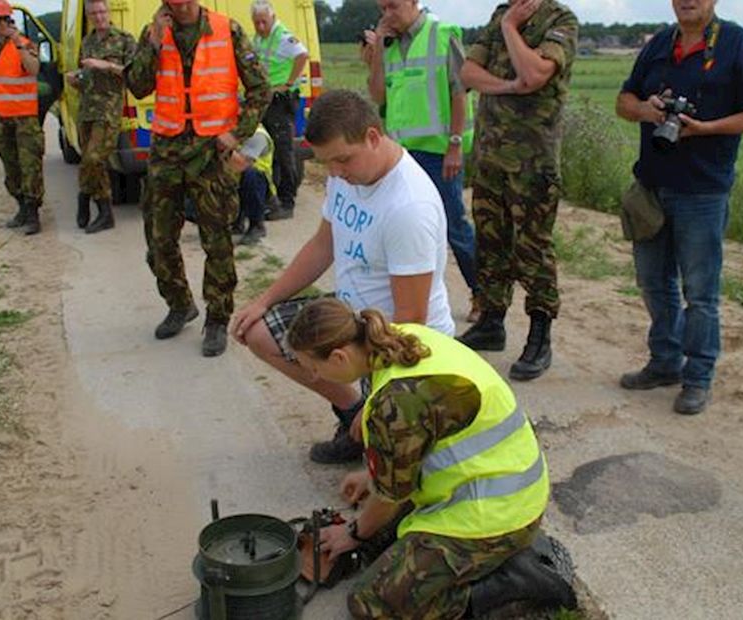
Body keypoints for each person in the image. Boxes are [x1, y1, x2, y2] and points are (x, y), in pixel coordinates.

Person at [286, 298, 575, 619]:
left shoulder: (396, 401)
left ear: (339, 357)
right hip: (511, 489)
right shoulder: (400, 338)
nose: (313, 376)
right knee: (384, 536)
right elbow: (427, 433)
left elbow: (390, 496)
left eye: (313, 367)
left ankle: (516, 585)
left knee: (372, 603)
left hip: (495, 516)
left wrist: (351, 533)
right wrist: (374, 474)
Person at [230, 89, 454, 464]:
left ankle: (369, 421)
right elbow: (322, 245)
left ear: (372, 136)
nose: (335, 173)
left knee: (398, 473)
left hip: (396, 339)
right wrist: (263, 300)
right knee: (259, 332)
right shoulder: (346, 176)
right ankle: (352, 412)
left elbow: (411, 323)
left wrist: (379, 405)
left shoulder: (408, 207)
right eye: (326, 164)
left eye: (342, 161)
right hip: (353, 316)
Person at [614, 0, 743, 415]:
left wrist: (705, 129)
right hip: (651, 186)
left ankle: (698, 377)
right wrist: (646, 110)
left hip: (703, 190)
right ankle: (665, 361)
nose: (687, 1)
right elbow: (623, 100)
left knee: (701, 294)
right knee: (653, 282)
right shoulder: (659, 44)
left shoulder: (735, 43)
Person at [126, 0, 269, 356]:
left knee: (216, 238)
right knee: (158, 239)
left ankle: (217, 318)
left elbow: (260, 88)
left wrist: (238, 134)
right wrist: (155, 42)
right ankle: (179, 304)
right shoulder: (155, 31)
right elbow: (138, 86)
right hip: (167, 150)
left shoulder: (227, 29)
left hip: (211, 150)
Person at [457, 0, 579, 382]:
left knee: (532, 248)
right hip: (491, 155)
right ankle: (492, 322)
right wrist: (509, 85)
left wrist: (511, 30)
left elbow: (537, 72)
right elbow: (468, 72)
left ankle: (540, 335)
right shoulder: (502, 12)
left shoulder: (560, 20)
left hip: (532, 162)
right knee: (491, 243)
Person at [363, 0, 481, 323]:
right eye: (382, 8)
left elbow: (460, 93)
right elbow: (378, 96)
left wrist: (455, 145)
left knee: (454, 225)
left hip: (439, 153)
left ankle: (481, 293)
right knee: (409, 228)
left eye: (394, 6)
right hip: (400, 153)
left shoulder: (442, 34)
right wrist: (376, 56)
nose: (387, 14)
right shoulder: (389, 44)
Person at [66, 0, 136, 234]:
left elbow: (133, 73)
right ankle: (101, 208)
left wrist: (104, 65)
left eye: (102, 11)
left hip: (108, 110)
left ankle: (88, 198)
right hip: (87, 109)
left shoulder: (124, 39)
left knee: (94, 159)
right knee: (89, 158)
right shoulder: (87, 42)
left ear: (108, 12)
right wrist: (77, 79)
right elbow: (87, 77)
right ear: (89, 16)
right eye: (94, 13)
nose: (99, 16)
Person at [0, 0, 45, 236]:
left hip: (24, 118)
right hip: (0, 117)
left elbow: (34, 69)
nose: (2, 24)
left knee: (30, 168)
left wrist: (19, 44)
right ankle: (21, 209)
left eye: (6, 19)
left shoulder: (25, 45)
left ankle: (33, 214)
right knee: (11, 167)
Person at [250, 0, 308, 221]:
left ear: (272, 18)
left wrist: (289, 82)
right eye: (256, 22)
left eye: (264, 21)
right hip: (267, 99)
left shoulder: (282, 36)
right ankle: (271, 200)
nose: (260, 26)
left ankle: (287, 202)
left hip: (281, 101)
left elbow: (302, 55)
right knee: (268, 152)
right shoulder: (258, 37)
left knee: (284, 153)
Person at [229, 126, 275, 246]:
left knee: (250, 175)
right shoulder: (232, 131)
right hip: (237, 179)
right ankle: (235, 221)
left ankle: (257, 225)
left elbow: (241, 165)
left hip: (260, 186)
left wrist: (219, 147)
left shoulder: (257, 135)